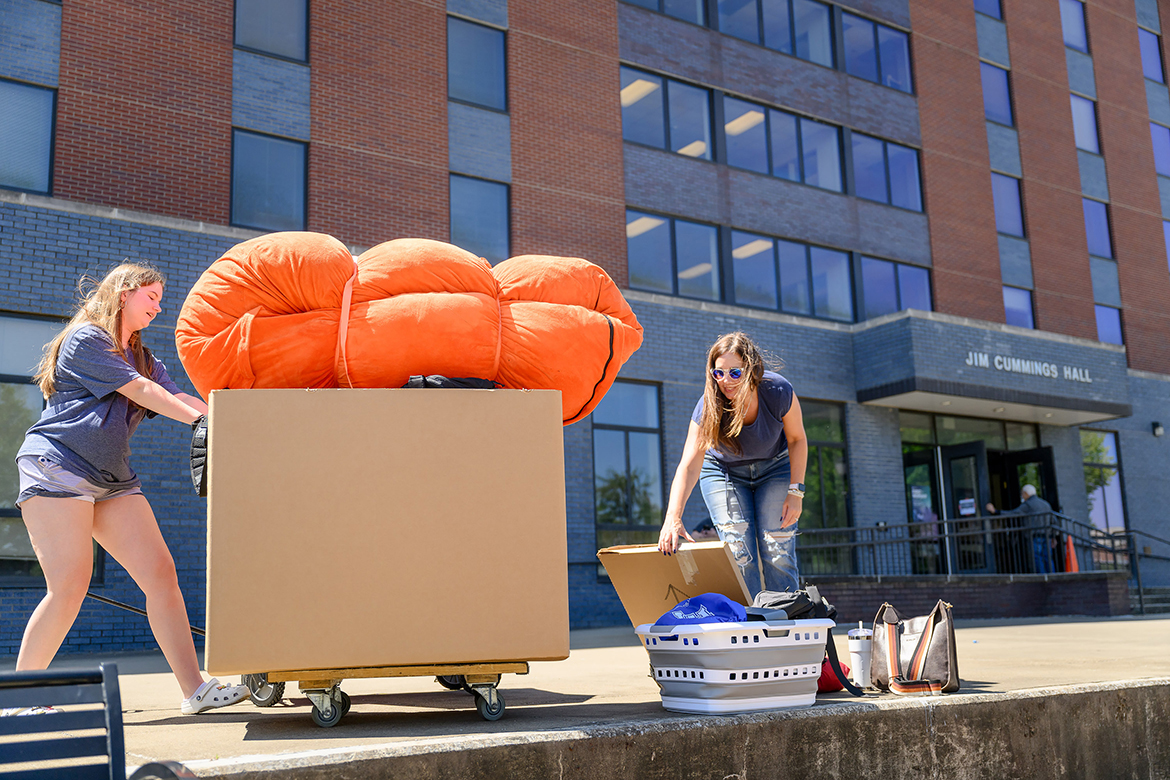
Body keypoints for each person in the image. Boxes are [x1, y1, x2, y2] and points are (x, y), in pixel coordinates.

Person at [6, 263, 248, 716]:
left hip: (110, 478)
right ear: (123, 294)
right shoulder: (86, 340)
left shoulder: (143, 356)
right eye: (152, 296)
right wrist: (202, 422)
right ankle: (22, 699)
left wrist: (231, 421)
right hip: (57, 466)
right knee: (70, 584)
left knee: (160, 573)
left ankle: (195, 690)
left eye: (160, 298)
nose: (159, 306)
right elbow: (142, 393)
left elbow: (180, 397)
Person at [657, 332, 809, 595]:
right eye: (718, 373)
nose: (725, 381)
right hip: (724, 472)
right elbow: (689, 465)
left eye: (734, 373)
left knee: (778, 550)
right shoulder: (708, 407)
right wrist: (673, 517)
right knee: (740, 552)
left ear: (751, 369)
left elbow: (797, 439)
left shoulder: (778, 391)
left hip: (775, 468)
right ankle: (748, 625)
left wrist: (796, 492)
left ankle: (785, 624)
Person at [1017, 484, 1055, 573]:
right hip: (1047, 535)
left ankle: (1042, 577)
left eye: (1022, 494)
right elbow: (1053, 520)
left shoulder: (1028, 504)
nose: (1022, 496)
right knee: (1048, 557)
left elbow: (1014, 513)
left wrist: (996, 511)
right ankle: (1052, 576)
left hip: (1035, 535)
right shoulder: (1045, 504)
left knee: (1037, 557)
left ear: (1026, 493)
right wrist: (1053, 535)